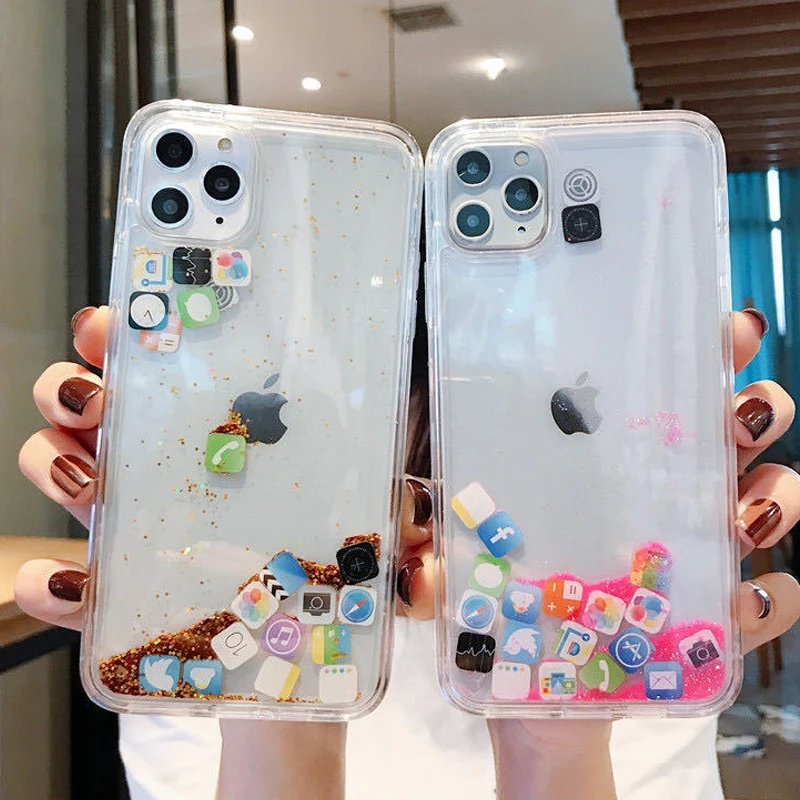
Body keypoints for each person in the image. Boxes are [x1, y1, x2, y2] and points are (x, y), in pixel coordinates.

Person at [14, 305, 800, 800]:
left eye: (450, 480)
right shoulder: (223, 624)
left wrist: (557, 751)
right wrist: (280, 720)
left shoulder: (620, 626)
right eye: (396, 477)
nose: (421, 517)